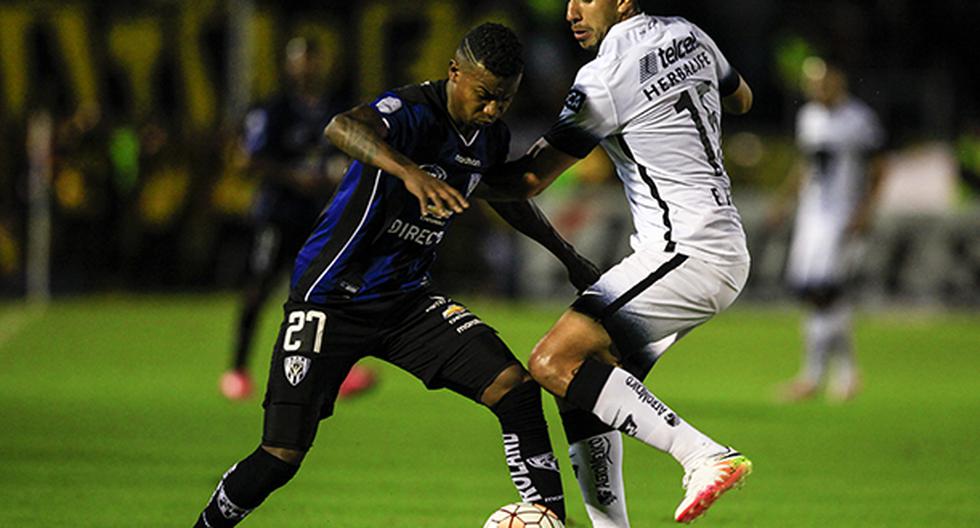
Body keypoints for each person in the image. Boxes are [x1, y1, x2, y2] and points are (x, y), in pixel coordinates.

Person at [193, 23, 601, 527]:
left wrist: (567, 255)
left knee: (514, 388)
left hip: (407, 303)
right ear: (455, 73)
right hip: (330, 299)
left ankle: (548, 520)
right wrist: (410, 172)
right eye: (485, 96)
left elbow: (506, 197)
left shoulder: (489, 136)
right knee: (280, 455)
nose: (494, 109)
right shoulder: (412, 111)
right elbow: (342, 126)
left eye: (505, 99)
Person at [487, 1, 755, 524]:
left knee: (552, 362)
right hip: (713, 243)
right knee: (583, 386)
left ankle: (703, 455)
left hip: (686, 250)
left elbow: (528, 182)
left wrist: (441, 173)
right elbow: (742, 98)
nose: (571, 11)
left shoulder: (605, 76)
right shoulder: (689, 33)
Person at [220, 36, 377, 401]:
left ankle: (338, 370)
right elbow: (248, 160)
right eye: (300, 60)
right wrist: (296, 177)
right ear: (289, 66)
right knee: (259, 289)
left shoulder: (336, 109)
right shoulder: (274, 110)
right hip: (277, 214)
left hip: (317, 217)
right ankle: (237, 369)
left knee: (327, 292)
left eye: (312, 59)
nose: (307, 67)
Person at [770, 58, 887, 403]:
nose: (817, 89)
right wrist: (784, 201)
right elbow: (805, 166)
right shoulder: (809, 117)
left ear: (839, 82)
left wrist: (865, 210)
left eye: (823, 83)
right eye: (812, 84)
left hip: (841, 215)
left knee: (826, 290)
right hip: (812, 216)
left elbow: (880, 168)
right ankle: (836, 374)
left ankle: (822, 375)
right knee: (812, 293)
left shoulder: (859, 119)